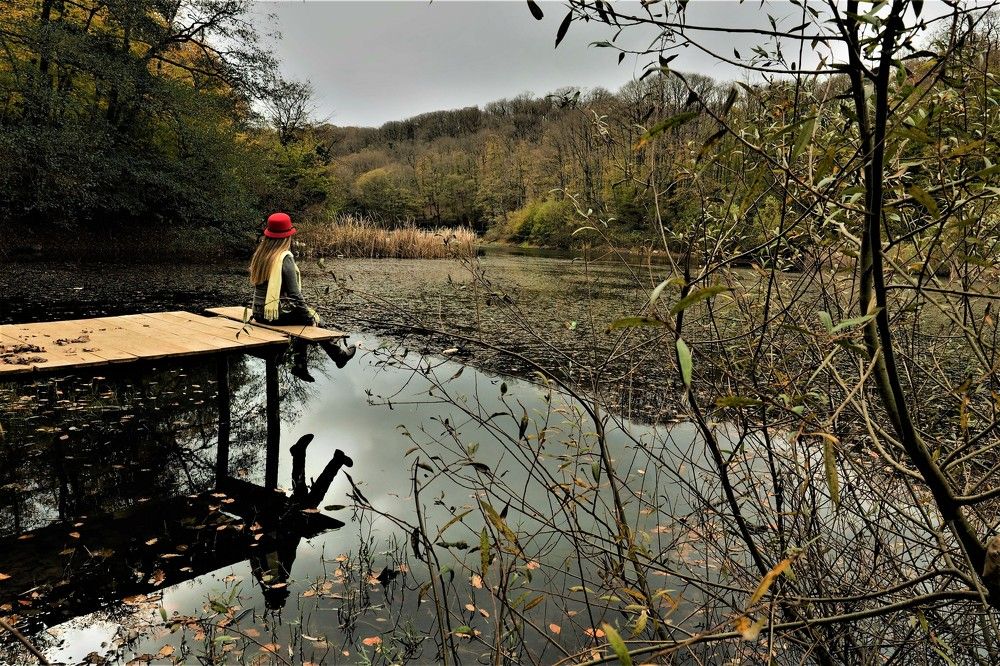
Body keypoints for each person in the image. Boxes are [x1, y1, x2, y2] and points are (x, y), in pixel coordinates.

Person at [249, 212, 356, 382]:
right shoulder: (284, 258)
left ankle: (303, 365)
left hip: (259, 313)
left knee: (302, 317)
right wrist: (308, 317)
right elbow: (295, 295)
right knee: (310, 317)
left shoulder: (261, 255)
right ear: (287, 237)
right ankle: (336, 356)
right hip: (272, 315)